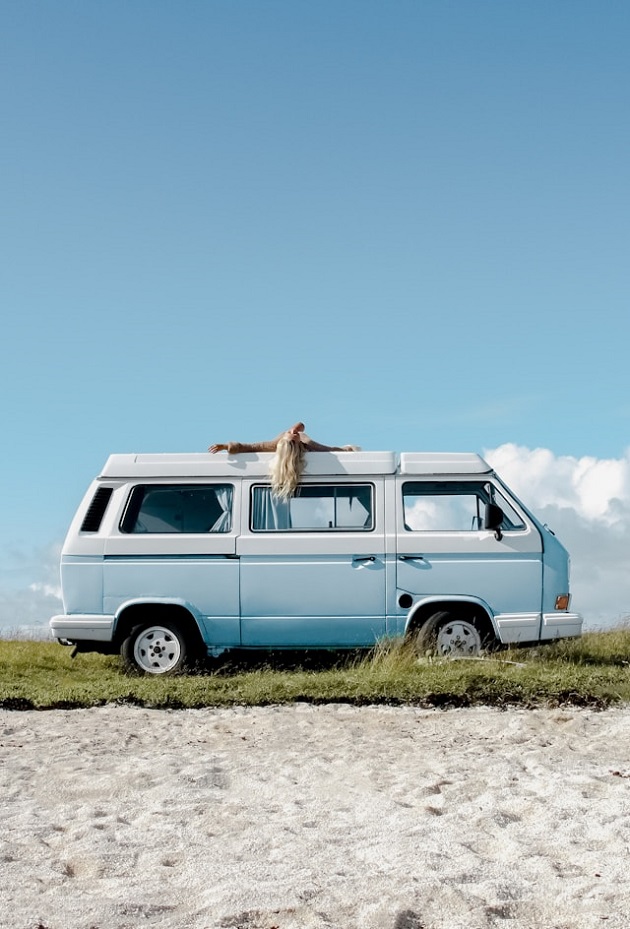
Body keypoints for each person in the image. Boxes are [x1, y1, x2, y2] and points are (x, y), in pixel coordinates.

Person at [209, 422, 360, 499]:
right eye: (291, 433)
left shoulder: (301, 443)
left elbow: (301, 425)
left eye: (291, 433)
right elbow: (251, 446)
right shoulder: (288, 443)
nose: (292, 431)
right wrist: (226, 446)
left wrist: (225, 446)